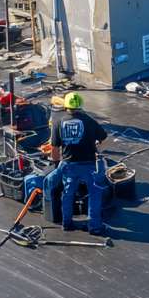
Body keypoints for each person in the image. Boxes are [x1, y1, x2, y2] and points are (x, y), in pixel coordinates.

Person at [45, 93, 110, 235]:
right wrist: (95, 141)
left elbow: (54, 148)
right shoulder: (89, 120)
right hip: (89, 165)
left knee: (68, 194)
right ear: (80, 105)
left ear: (66, 106)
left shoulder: (58, 122)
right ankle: (95, 227)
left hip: (69, 165)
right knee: (94, 194)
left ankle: (67, 224)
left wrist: (56, 165)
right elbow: (103, 136)